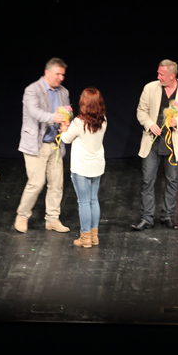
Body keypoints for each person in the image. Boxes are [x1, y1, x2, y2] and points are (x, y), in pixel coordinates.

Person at [131, 59, 178, 230]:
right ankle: (147, 218)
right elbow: (141, 111)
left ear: (172, 76)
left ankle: (167, 216)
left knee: (172, 181)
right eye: (158, 73)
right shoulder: (150, 88)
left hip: (173, 144)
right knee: (148, 181)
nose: (158, 77)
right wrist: (149, 124)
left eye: (161, 74)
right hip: (152, 143)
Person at [14, 58, 72, 233]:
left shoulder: (63, 91)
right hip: (36, 145)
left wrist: (67, 122)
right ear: (47, 72)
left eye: (63, 75)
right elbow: (34, 112)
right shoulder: (32, 90)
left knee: (57, 184)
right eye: (57, 74)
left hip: (55, 144)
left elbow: (68, 111)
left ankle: (52, 219)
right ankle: (22, 216)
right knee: (36, 183)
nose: (60, 78)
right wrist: (53, 118)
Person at [60, 88, 107, 248]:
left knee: (84, 202)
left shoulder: (78, 123)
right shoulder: (103, 120)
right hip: (97, 165)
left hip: (81, 167)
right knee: (93, 199)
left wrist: (64, 129)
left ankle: (85, 237)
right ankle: (94, 236)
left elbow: (66, 139)